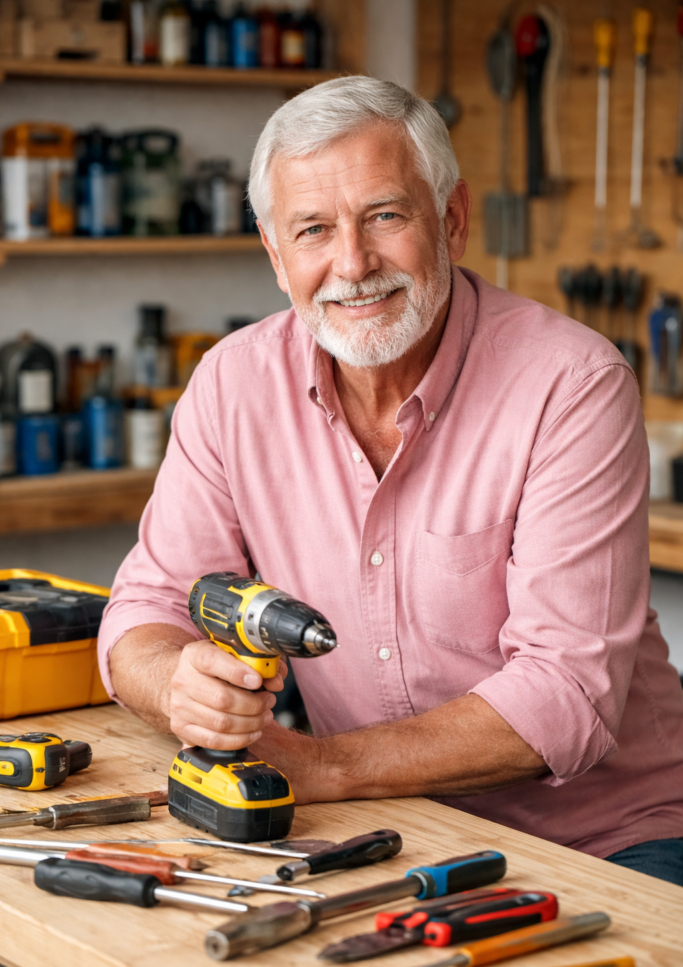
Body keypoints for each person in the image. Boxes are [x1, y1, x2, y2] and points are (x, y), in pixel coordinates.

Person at [99, 77, 683, 885]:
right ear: (275, 255)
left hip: (609, 839)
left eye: (384, 216)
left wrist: (326, 767)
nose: (353, 265)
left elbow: (564, 697)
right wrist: (178, 684)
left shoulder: (570, 383)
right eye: (312, 230)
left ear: (450, 219)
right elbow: (145, 609)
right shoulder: (233, 385)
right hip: (392, 826)